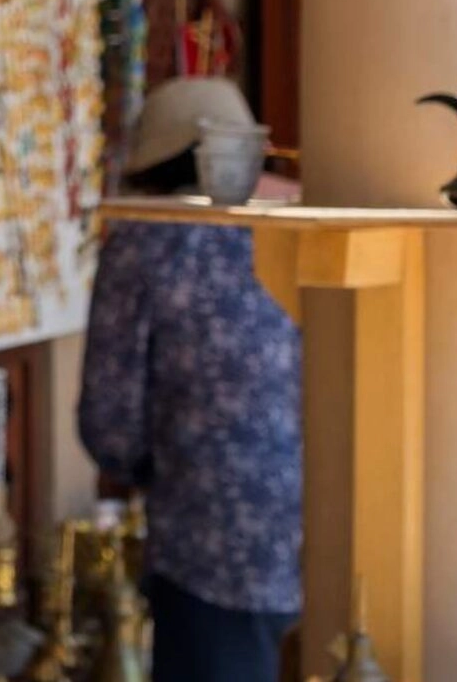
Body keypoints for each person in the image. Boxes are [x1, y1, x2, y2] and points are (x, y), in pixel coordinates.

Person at [79, 76, 302, 682]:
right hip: (333, 528)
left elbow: (109, 418)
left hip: (208, 542)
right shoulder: (300, 220)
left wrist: (146, 470)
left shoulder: (144, 240)